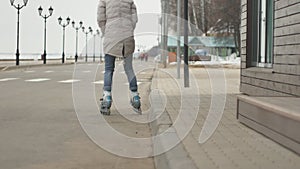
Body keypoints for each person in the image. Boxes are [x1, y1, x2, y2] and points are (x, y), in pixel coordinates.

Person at [97, 0, 140, 115]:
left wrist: (106, 31)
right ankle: (135, 97)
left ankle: (107, 98)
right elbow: (134, 19)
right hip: (127, 37)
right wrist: (129, 29)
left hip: (111, 37)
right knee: (129, 68)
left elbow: (100, 19)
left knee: (109, 69)